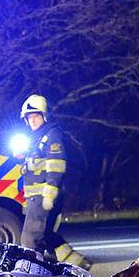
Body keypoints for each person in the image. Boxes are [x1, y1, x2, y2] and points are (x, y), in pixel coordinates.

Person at [17, 94, 90, 268]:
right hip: (36, 197)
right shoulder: (36, 138)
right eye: (29, 117)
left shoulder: (51, 136)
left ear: (44, 116)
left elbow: (57, 166)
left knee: (30, 238)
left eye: (36, 116)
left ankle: (31, 273)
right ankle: (78, 264)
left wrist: (49, 195)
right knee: (46, 235)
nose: (33, 120)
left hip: (44, 197)